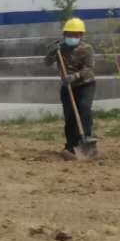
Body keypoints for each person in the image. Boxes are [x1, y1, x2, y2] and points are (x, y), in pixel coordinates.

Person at [44, 17, 97, 157]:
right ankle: (71, 145)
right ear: (64, 34)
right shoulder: (60, 48)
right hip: (67, 87)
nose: (72, 37)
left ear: (81, 35)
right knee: (69, 116)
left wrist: (74, 76)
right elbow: (47, 63)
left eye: (75, 34)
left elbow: (89, 69)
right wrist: (51, 52)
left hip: (85, 84)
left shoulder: (87, 49)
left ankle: (86, 137)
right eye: (69, 34)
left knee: (84, 107)